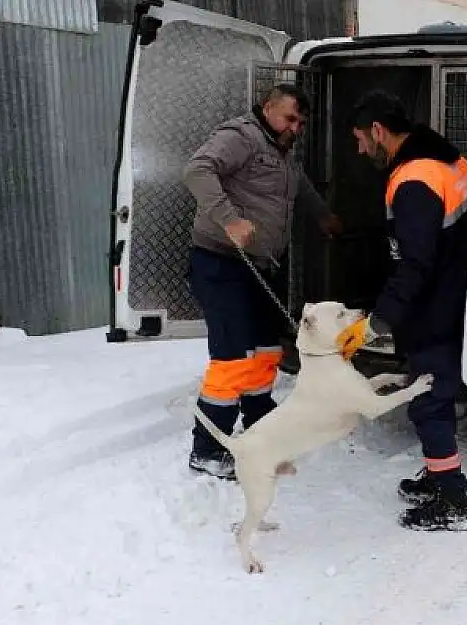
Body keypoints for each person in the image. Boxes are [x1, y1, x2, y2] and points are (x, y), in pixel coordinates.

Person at [183, 84, 342, 480]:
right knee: (234, 359)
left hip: (260, 265)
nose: (297, 127)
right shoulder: (241, 137)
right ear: (268, 108)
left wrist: (323, 215)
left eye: (301, 122)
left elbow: (297, 184)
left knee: (267, 351)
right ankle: (207, 449)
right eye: (290, 118)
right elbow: (197, 170)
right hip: (221, 263)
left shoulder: (281, 151)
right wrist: (230, 220)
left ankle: (260, 433)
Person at [337, 90, 467, 531]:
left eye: (361, 139)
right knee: (435, 393)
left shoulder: (414, 180)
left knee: (428, 400)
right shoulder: (449, 161)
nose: (360, 150)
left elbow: (416, 261)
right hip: (458, 293)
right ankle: (442, 472)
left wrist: (379, 321)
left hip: (434, 305)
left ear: (379, 131)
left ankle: (452, 499)